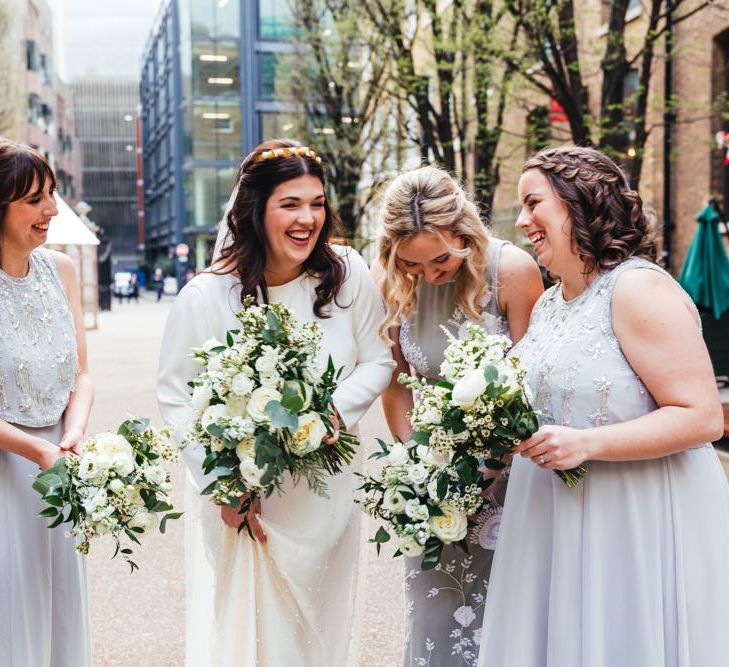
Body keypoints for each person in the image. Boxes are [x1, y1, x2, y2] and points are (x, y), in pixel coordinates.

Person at [477, 145, 729, 667]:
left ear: (578, 201)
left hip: (630, 522)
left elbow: (702, 415)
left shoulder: (636, 288)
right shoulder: (549, 302)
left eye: (533, 203)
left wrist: (588, 443)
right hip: (551, 520)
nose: (522, 221)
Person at [157, 139, 394, 666]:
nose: (307, 218)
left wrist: (331, 412)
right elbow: (175, 396)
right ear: (255, 210)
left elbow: (379, 358)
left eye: (316, 202)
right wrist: (222, 483)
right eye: (290, 204)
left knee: (320, 627)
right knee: (254, 629)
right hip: (249, 495)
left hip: (327, 489)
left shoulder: (347, 274)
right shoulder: (206, 296)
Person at [374, 166, 543, 666]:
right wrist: (417, 467)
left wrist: (487, 469)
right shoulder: (392, 283)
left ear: (465, 234)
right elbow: (396, 388)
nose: (428, 275)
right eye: (412, 264)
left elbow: (534, 384)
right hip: (435, 484)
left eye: (441, 259)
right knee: (434, 613)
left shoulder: (512, 270)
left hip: (510, 479)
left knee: (504, 614)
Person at [0, 139, 93, 665]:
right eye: (35, 199)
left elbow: (82, 374)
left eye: (52, 195)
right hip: (8, 472)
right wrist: (37, 453)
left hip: (61, 462)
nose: (52, 210)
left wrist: (72, 434)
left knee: (60, 607)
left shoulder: (62, 271)